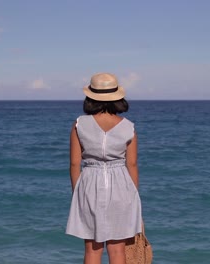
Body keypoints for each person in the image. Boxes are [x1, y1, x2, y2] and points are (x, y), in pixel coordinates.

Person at [66, 73, 142, 264]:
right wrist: (133, 196)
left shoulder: (79, 125)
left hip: (90, 183)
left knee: (92, 250)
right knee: (117, 251)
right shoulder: (128, 127)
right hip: (121, 186)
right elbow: (131, 164)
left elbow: (75, 163)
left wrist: (78, 192)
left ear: (90, 97)